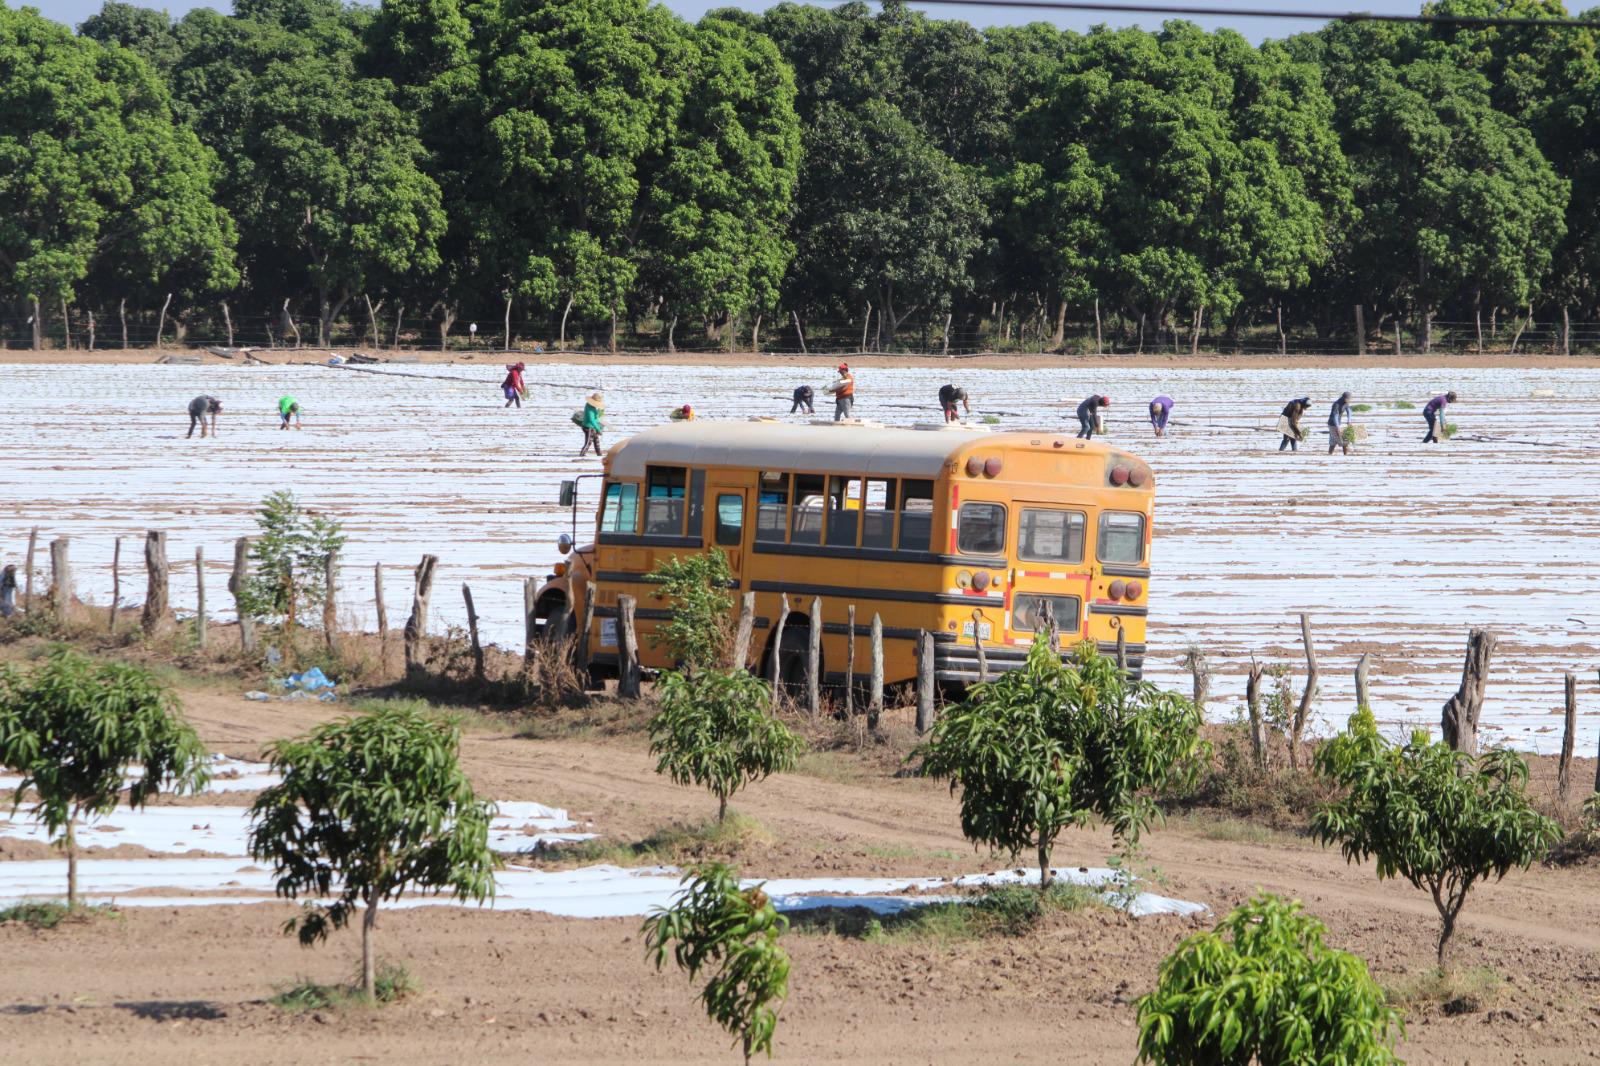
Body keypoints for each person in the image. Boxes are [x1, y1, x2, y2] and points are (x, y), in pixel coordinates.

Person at [577, 391, 605, 456]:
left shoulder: (591, 406)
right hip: (588, 426)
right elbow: (592, 420)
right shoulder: (590, 408)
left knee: (596, 440)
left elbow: (597, 417)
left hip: (592, 426)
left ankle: (599, 453)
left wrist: (601, 411)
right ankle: (582, 454)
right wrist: (598, 429)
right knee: (588, 442)